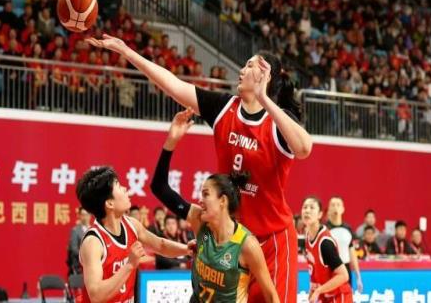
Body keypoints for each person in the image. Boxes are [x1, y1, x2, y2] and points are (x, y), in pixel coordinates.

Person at [86, 34, 313, 302]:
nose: (241, 70)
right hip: (233, 241)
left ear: (266, 75)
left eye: (250, 65)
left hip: (273, 240)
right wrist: (126, 51)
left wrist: (264, 98)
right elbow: (172, 84)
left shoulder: (278, 122)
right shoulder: (224, 108)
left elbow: (304, 149)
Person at [151, 108, 280, 302]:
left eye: (206, 194)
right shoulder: (199, 220)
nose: (200, 200)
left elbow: (270, 294)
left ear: (222, 201)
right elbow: (159, 187)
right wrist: (171, 141)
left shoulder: (246, 244)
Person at [76, 166, 192, 303]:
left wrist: (188, 249)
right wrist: (130, 264)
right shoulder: (93, 242)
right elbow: (96, 295)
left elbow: (160, 245)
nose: (125, 189)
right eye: (119, 186)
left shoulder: (131, 224)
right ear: (110, 203)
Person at [302, 196, 352, 303]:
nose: (307, 210)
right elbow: (313, 268)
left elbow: (344, 275)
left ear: (320, 214)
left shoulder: (325, 243)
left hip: (339, 296)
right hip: (326, 295)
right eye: (305, 207)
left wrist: (318, 290)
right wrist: (313, 288)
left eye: (311, 207)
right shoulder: (308, 237)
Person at [326, 197, 363, 292]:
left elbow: (352, 253)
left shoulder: (348, 229)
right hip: (330, 270)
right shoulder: (324, 229)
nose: (335, 207)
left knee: (346, 297)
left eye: (338, 205)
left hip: (346, 269)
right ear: (329, 209)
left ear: (343, 209)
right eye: (333, 205)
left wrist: (358, 276)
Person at [66, 207, 90, 275]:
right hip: (79, 266)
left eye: (87, 214)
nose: (85, 217)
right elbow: (74, 249)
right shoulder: (75, 231)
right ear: (79, 216)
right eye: (83, 215)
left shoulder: (94, 229)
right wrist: (86, 256)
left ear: (90, 215)